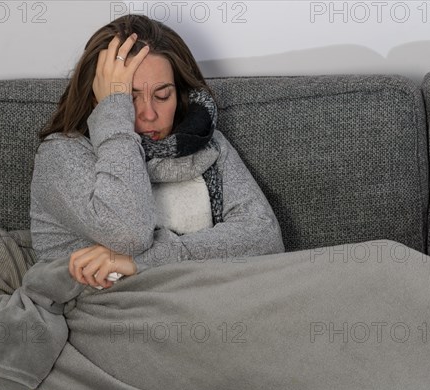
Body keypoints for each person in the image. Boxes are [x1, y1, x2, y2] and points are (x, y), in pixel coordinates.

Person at [30, 14, 284, 289]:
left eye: (163, 96)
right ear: (98, 98)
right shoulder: (61, 156)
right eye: (129, 97)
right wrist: (115, 116)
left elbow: (265, 237)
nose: (149, 114)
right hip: (108, 311)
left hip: (204, 293)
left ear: (180, 94)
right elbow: (129, 234)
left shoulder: (205, 144)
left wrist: (146, 260)